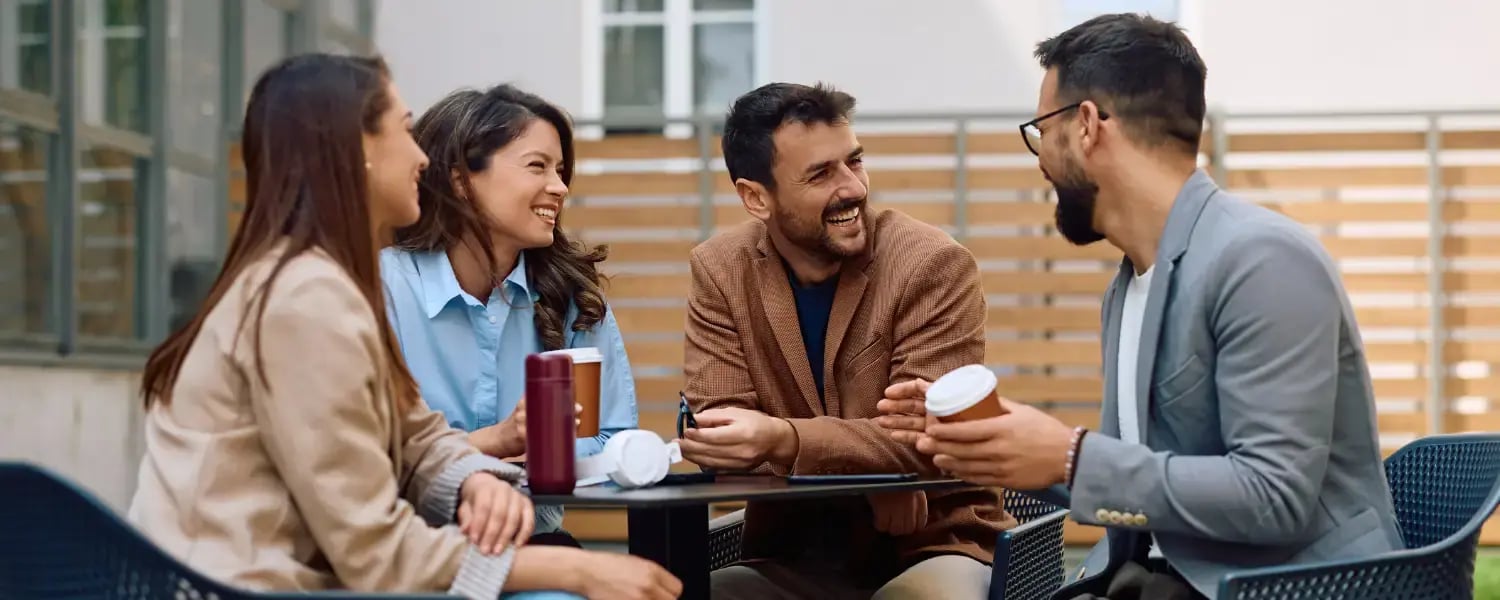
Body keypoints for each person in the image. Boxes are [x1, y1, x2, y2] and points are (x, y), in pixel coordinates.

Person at [878, 13, 1402, 600]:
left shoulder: (1261, 259)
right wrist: (997, 442)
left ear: (1086, 126)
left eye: (1041, 130)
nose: (1040, 159)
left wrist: (1070, 458)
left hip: (1285, 585)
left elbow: (1274, 497)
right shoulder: (1129, 285)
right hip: (1153, 581)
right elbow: (1142, 478)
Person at [127, 54, 679, 600]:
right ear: (357, 152)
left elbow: (414, 436)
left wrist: (471, 478)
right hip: (249, 586)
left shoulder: (327, 282)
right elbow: (375, 550)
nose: (423, 158)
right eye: (406, 132)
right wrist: (570, 572)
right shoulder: (305, 300)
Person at [676, 81, 1014, 599]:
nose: (853, 187)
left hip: (936, 541)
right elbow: (723, 438)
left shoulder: (933, 264)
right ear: (755, 197)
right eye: (820, 174)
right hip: (795, 552)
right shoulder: (720, 270)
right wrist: (871, 478)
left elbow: (930, 438)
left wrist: (787, 440)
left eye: (854, 162)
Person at [380, 83, 639, 540]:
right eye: (537, 166)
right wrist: (495, 442)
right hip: (409, 549)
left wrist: (546, 451)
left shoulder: (571, 295)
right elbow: (370, 458)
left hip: (532, 540)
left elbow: (612, 438)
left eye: (561, 170)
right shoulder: (384, 289)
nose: (558, 187)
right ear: (460, 180)